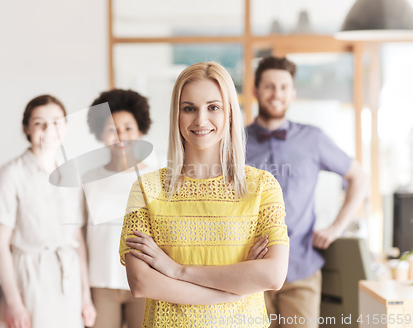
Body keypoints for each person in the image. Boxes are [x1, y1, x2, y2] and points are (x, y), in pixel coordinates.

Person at [118, 62, 290, 328]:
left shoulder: (262, 187)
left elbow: (273, 275)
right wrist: (232, 288)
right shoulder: (146, 189)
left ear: (230, 113)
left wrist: (176, 270)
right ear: (177, 114)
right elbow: (141, 282)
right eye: (189, 108)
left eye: (213, 107)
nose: (200, 119)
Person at [245, 56, 368, 328]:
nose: (276, 94)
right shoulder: (234, 142)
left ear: (293, 93)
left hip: (300, 270)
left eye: (283, 87)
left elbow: (358, 176)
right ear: (255, 90)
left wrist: (336, 227)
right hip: (247, 270)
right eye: (269, 86)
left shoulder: (313, 139)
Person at [0, 95, 96, 328]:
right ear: (27, 128)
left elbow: (77, 239)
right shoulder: (12, 173)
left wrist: (86, 296)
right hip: (30, 278)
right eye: (40, 122)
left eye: (57, 122)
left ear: (66, 126)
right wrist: (14, 302)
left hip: (68, 279)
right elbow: (1, 244)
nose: (49, 129)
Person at [83, 89, 156, 328]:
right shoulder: (89, 178)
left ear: (140, 131)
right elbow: (82, 234)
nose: (121, 136)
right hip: (102, 281)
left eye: (128, 128)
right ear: (100, 134)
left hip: (146, 279)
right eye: (112, 130)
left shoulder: (157, 177)